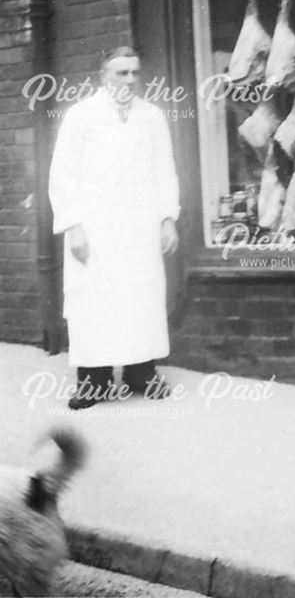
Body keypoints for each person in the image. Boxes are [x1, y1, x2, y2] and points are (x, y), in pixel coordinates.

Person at [48, 47, 180, 410]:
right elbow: (62, 173)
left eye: (135, 73)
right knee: (95, 299)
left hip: (139, 224)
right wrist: (73, 225)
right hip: (96, 225)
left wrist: (168, 218)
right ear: (103, 76)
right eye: (121, 73)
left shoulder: (152, 116)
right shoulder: (81, 116)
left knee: (141, 296)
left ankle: (141, 372)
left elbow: (164, 169)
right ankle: (95, 381)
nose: (129, 80)